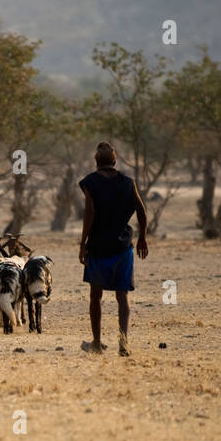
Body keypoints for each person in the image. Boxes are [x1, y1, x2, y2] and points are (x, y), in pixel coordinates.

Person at [78, 142, 148, 356]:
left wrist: (83, 243)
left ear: (96, 162)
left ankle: (97, 344)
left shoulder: (89, 182)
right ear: (115, 161)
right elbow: (141, 211)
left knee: (95, 296)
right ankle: (123, 343)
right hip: (122, 247)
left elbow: (89, 213)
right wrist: (143, 237)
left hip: (98, 247)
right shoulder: (128, 182)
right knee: (122, 297)